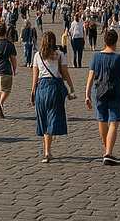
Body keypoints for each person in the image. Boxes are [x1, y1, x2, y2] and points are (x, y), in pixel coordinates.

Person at [85, 29, 120, 165]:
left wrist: (87, 95)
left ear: (104, 41)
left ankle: (106, 149)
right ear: (116, 41)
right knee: (113, 122)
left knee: (102, 120)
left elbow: (90, 77)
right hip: (116, 93)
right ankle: (108, 152)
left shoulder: (96, 57)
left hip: (99, 92)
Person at [31, 30, 75, 163]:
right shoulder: (60, 54)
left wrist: (33, 92)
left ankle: (46, 151)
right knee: (51, 117)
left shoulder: (37, 56)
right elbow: (65, 73)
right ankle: (47, 151)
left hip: (41, 88)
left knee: (43, 118)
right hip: (54, 87)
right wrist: (71, 88)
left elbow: (35, 76)